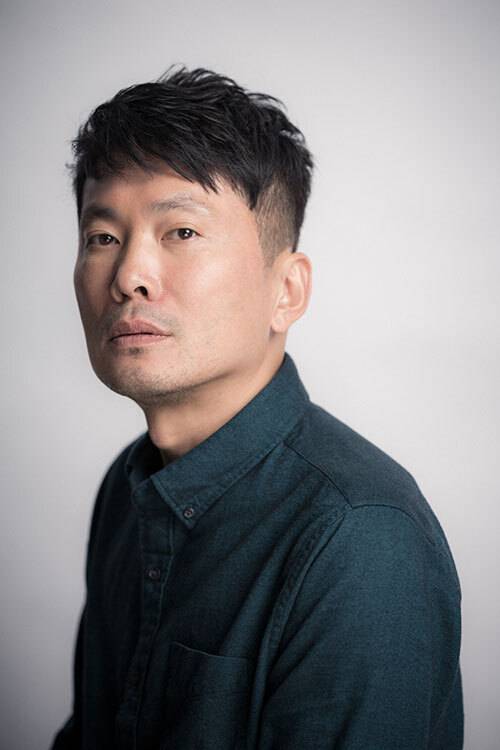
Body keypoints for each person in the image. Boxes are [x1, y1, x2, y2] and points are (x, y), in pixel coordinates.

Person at [51, 66, 463, 750]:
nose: (129, 276)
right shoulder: (126, 489)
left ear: (287, 291)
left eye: (182, 232)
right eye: (103, 238)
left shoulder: (360, 537)